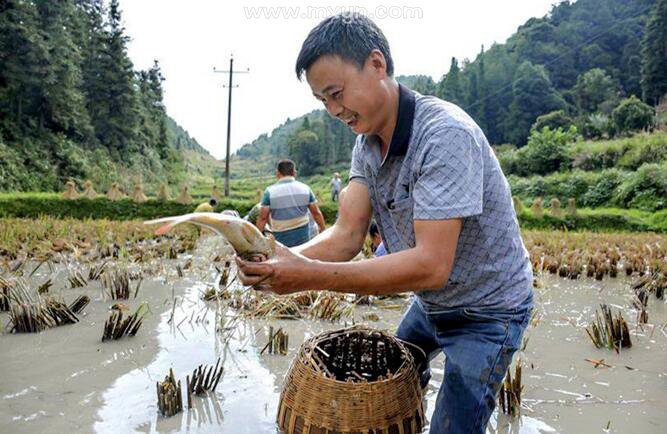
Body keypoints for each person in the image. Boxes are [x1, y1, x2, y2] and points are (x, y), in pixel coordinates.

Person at [236, 13, 533, 434]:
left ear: (377, 64)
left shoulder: (444, 134)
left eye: (337, 93)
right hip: (432, 302)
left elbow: (432, 265)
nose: (334, 111)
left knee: (454, 424)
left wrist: (306, 275)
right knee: (393, 377)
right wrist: (277, 261)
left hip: (488, 309)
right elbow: (347, 235)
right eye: (323, 101)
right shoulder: (365, 144)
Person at [255, 159, 326, 247]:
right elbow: (316, 213)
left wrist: (256, 239)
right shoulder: (305, 189)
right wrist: (323, 229)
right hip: (302, 235)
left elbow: (263, 218)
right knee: (301, 257)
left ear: (277, 173)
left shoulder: (269, 192)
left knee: (284, 259)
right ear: (294, 173)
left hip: (281, 237)